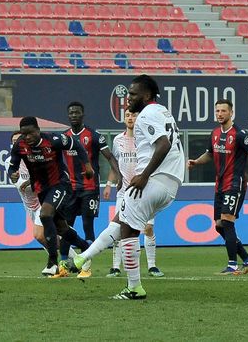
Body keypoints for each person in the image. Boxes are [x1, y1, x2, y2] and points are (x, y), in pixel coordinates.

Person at [66, 75, 185, 299]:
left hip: (153, 180)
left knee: (128, 230)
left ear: (147, 95)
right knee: (122, 220)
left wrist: (144, 175)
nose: (128, 97)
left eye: (133, 93)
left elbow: (163, 144)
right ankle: (85, 257)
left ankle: (133, 287)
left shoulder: (147, 115)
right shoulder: (162, 111)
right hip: (171, 183)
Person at [7, 116, 94, 276]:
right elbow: (12, 167)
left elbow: (76, 145)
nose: (27, 138)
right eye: (24, 134)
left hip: (60, 184)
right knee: (61, 227)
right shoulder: (20, 145)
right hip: (41, 189)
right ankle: (85, 247)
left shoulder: (53, 140)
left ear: (38, 130)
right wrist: (13, 174)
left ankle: (53, 262)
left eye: (30, 133)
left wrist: (87, 166)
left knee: (45, 214)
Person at [187, 99, 248, 275]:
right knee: (219, 225)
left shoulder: (240, 134)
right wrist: (196, 162)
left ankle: (232, 265)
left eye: (223, 111)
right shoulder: (214, 133)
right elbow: (209, 154)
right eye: (217, 111)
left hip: (235, 184)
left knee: (227, 222)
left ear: (231, 113)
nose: (220, 114)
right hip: (219, 185)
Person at [59, 101, 122, 278]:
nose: (73, 115)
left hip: (89, 188)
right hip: (69, 189)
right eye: (71, 113)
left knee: (88, 226)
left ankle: (86, 267)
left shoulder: (94, 135)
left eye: (77, 112)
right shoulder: (64, 137)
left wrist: (119, 176)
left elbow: (109, 157)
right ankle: (63, 266)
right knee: (65, 227)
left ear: (83, 114)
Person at [104, 109, 164, 278]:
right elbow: (115, 164)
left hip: (143, 191)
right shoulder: (117, 140)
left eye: (134, 115)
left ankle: (152, 266)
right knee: (118, 228)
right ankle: (116, 267)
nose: (130, 118)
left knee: (148, 228)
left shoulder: (146, 139)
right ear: (124, 119)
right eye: (128, 115)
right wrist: (109, 184)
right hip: (123, 192)